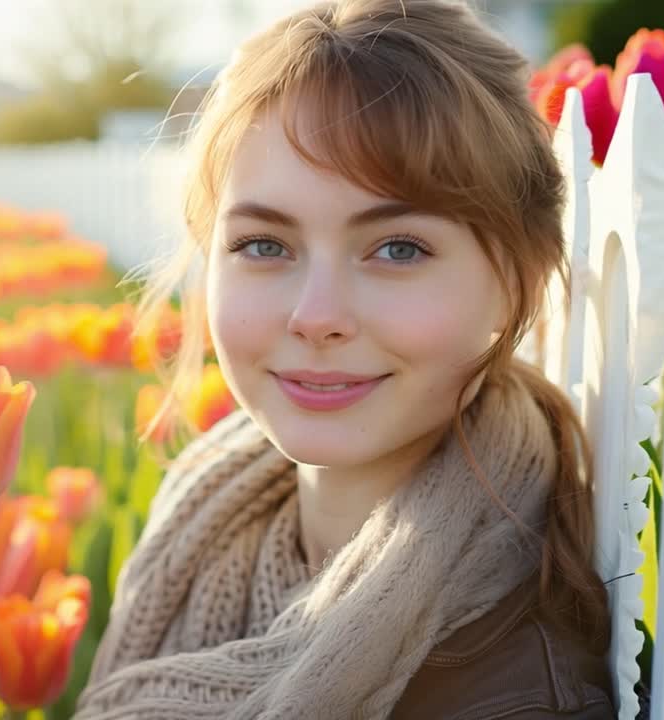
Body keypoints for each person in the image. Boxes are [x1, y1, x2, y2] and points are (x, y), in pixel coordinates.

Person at [72, 0, 616, 718]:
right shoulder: (212, 518)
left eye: (397, 249)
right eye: (264, 245)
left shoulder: (504, 690)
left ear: (517, 278)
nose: (316, 316)